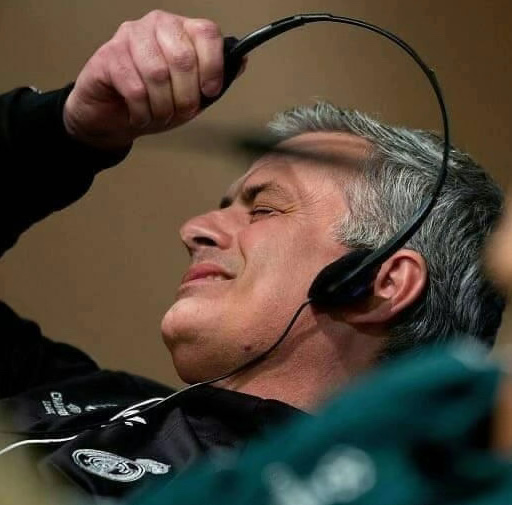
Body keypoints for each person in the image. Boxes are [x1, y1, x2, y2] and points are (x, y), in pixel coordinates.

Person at [0, 9, 505, 503]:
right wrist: (67, 127)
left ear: (378, 281)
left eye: (263, 209)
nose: (192, 230)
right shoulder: (67, 388)